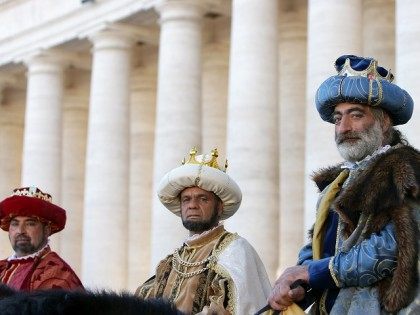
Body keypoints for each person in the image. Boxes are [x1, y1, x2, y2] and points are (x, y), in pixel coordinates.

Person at [268, 55, 419, 314]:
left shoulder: (408, 172)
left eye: (356, 115)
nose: (344, 127)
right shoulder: (335, 186)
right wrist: (295, 281)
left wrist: (313, 272)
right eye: (338, 118)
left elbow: (391, 249)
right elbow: (318, 248)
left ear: (384, 122)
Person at [136, 148, 272, 315]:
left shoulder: (235, 250)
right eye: (186, 199)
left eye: (203, 199)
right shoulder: (170, 262)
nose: (192, 205)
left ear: (220, 207)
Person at [0, 186, 84, 291]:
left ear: (46, 230)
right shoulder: (2, 269)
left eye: (30, 224)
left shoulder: (57, 273)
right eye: (15, 224)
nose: (20, 231)